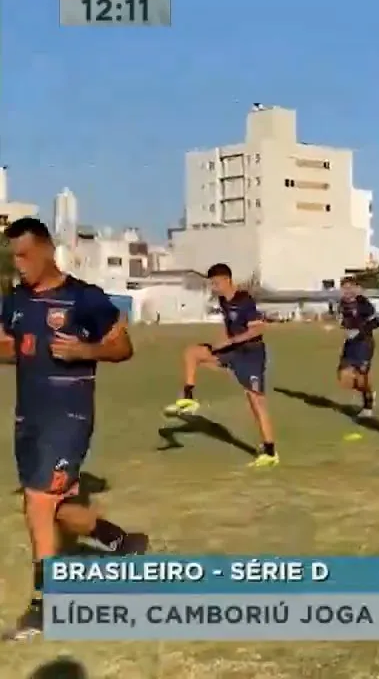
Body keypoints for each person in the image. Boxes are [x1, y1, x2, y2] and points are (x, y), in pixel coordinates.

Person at [0, 218, 148, 641]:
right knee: (58, 509)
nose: (20, 263)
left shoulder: (85, 298)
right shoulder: (14, 300)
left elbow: (124, 346)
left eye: (26, 254)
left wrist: (86, 349)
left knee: (38, 503)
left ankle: (45, 604)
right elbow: (10, 347)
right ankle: (119, 540)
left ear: (48, 250)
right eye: (15, 256)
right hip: (28, 417)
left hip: (69, 418)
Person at [164, 263, 278, 468]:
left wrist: (230, 342)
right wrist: (220, 345)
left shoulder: (245, 300)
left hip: (251, 355)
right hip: (232, 352)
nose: (213, 288)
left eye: (216, 284)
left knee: (256, 403)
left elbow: (258, 330)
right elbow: (228, 327)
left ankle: (270, 452)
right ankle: (188, 399)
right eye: (212, 284)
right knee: (193, 353)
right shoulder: (223, 301)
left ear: (227, 280)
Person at [337, 277, 379, 419]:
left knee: (362, 377)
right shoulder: (342, 304)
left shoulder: (363, 304)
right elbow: (344, 321)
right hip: (350, 344)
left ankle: (368, 406)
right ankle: (368, 391)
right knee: (343, 379)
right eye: (344, 288)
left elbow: (376, 322)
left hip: (364, 343)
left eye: (350, 288)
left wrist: (358, 331)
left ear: (355, 288)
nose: (347, 291)